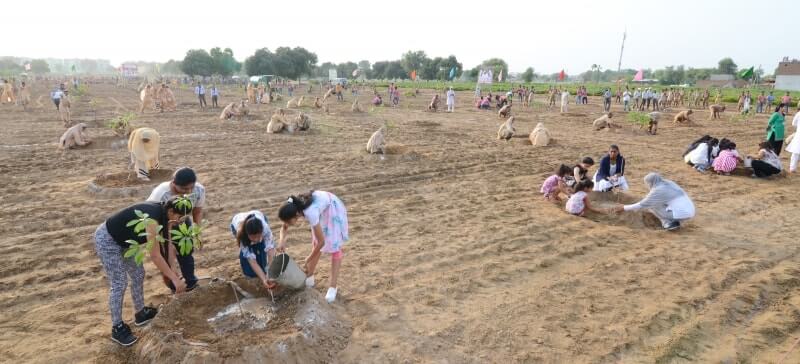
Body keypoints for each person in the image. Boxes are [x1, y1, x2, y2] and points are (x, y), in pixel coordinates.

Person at [95, 196, 193, 346]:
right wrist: (174, 279)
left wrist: (174, 274)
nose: (180, 221)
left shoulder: (166, 216)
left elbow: (168, 246)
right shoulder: (152, 220)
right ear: (172, 211)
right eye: (179, 217)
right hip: (108, 240)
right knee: (119, 283)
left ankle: (141, 313)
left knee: (139, 274)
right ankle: (117, 327)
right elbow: (155, 255)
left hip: (127, 243)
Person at [277, 191, 349, 303]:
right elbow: (284, 228)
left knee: (334, 247)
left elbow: (322, 242)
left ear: (296, 215)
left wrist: (308, 259)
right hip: (321, 207)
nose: (287, 223)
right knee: (315, 242)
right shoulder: (292, 208)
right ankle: (309, 277)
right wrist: (281, 241)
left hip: (331, 208)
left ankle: (332, 287)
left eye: (288, 221)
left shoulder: (310, 213)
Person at [612, 173, 695, 231]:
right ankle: (675, 221)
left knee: (652, 205)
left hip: (683, 213)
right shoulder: (668, 183)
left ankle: (667, 223)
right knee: (659, 202)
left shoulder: (659, 190)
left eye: (648, 183)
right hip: (690, 210)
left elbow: (643, 204)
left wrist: (624, 208)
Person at [231, 211, 276, 289]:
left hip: (258, 216)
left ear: (262, 231)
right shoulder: (241, 234)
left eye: (259, 236)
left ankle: (263, 270)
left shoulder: (265, 229)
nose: (256, 239)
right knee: (247, 255)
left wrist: (270, 273)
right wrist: (264, 279)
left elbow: (270, 251)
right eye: (253, 237)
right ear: (247, 234)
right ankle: (252, 274)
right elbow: (252, 261)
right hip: (237, 221)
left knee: (261, 247)